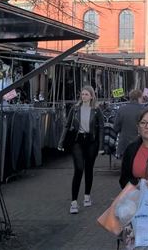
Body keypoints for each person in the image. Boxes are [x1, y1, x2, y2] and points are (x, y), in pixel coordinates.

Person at [60, 86, 103, 214]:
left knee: (89, 168)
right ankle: (73, 202)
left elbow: (101, 127)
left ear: (91, 96)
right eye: (82, 94)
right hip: (78, 140)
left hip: (91, 141)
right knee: (79, 169)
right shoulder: (75, 109)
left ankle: (87, 195)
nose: (83, 96)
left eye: (86, 94)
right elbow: (67, 125)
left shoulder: (96, 110)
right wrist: (61, 141)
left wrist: (101, 146)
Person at [114, 89, 146, 159]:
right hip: (139, 144)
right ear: (139, 98)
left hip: (124, 144)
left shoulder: (121, 109)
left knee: (125, 167)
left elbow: (115, 128)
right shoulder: (144, 110)